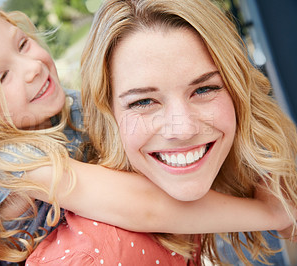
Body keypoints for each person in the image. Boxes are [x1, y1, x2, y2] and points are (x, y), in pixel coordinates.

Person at [0, 2, 294, 265]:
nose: (32, 66)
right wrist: (268, 213)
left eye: (22, 43)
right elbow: (144, 205)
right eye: (2, 75)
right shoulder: (10, 165)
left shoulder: (68, 109)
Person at [26, 0, 297, 264]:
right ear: (108, 116)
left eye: (204, 89)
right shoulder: (95, 257)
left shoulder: (205, 195)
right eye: (143, 101)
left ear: (239, 93)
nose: (183, 129)